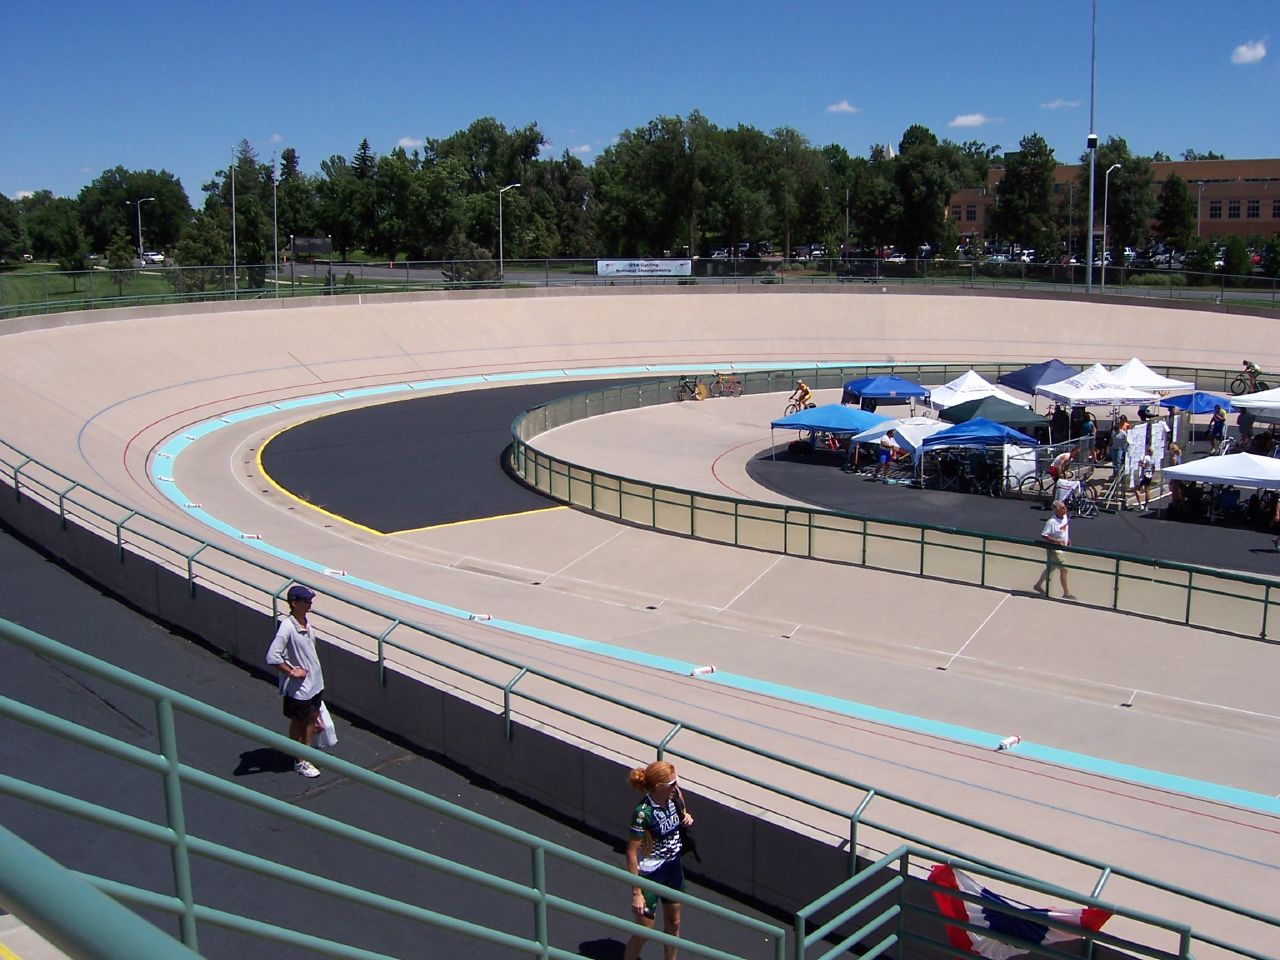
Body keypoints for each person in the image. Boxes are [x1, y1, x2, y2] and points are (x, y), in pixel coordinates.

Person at [624, 760, 693, 960]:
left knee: (674, 923)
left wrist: (685, 815)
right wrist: (636, 892)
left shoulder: (674, 796)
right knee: (644, 930)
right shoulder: (643, 813)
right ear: (658, 788)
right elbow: (631, 852)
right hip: (650, 874)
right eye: (672, 784)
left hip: (672, 868)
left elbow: (681, 804)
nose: (676, 787)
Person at [265, 584, 326, 778]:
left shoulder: (306, 622)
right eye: (306, 601)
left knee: (311, 719)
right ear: (294, 603)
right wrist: (292, 672)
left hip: (315, 684)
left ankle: (305, 753)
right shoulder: (287, 627)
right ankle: (300, 760)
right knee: (300, 721)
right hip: (301, 689)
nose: (310, 604)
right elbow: (272, 657)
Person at [1032, 501, 1074, 600]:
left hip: (1061, 548)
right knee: (1064, 569)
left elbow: (1065, 529)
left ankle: (1037, 585)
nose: (1066, 509)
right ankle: (1066, 593)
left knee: (1051, 568)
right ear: (1057, 510)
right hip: (1054, 550)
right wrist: (1057, 542)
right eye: (1063, 508)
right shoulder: (1051, 522)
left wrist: (1068, 539)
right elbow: (1044, 535)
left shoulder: (1064, 517)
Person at [1135, 446, 1155, 510]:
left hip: (1144, 475)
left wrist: (1139, 463)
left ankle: (1140, 504)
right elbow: (1153, 468)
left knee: (1137, 489)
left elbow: (1143, 465)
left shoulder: (1146, 457)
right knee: (1147, 490)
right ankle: (1146, 505)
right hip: (1149, 475)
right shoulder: (1153, 459)